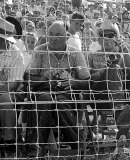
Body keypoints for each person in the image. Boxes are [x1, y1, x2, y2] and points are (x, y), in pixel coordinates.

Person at [25, 20, 90, 156]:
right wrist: (44, 78)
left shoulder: (75, 53)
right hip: (43, 91)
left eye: (58, 34)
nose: (53, 38)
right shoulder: (40, 50)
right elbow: (28, 78)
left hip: (67, 93)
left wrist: (73, 83)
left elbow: (87, 81)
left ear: (66, 37)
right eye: (50, 34)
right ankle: (35, 149)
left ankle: (76, 146)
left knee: (62, 101)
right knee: (45, 99)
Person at [0, 17, 25, 155]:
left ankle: (9, 140)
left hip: (8, 93)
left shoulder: (16, 54)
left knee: (5, 99)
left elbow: (13, 85)